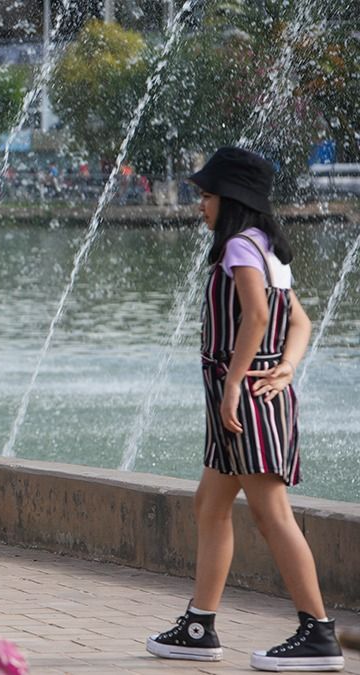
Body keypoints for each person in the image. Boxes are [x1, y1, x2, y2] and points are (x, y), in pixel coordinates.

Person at [145, 147, 344, 672]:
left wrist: (234, 383)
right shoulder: (265, 248)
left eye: (207, 196)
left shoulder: (238, 247)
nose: (200, 206)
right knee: (209, 505)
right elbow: (297, 322)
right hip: (256, 395)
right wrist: (287, 367)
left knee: (271, 513)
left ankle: (318, 633)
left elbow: (255, 315)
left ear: (230, 200)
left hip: (243, 401)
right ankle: (199, 626)